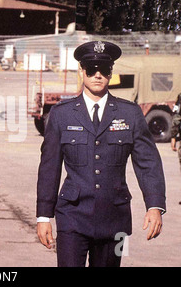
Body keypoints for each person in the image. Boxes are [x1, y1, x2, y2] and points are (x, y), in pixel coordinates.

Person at [36, 41, 166, 267]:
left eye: (104, 69)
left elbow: (148, 162)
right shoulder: (61, 114)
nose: (97, 75)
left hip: (116, 219)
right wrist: (43, 217)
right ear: (81, 70)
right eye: (91, 68)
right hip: (72, 216)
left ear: (111, 73)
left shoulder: (130, 113)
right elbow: (49, 168)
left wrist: (155, 206)